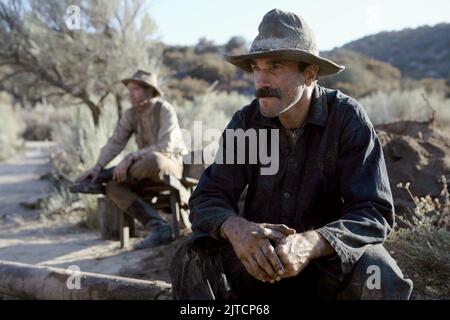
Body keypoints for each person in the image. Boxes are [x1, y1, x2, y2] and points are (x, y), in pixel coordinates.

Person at [170, 9, 413, 299]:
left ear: (310, 73)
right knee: (192, 254)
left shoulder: (347, 119)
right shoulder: (246, 123)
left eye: (274, 67)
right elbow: (207, 197)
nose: (261, 80)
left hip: (325, 264)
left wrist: (313, 242)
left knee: (377, 269)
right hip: (260, 262)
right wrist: (237, 230)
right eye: (256, 68)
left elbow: (374, 211)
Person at [70, 69, 188, 250]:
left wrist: (131, 157)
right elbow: (115, 142)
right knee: (113, 187)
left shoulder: (164, 110)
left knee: (154, 160)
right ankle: (159, 227)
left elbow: (166, 146)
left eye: (135, 89)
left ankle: (102, 176)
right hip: (141, 171)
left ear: (149, 91)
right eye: (129, 89)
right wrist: (98, 166)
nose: (130, 94)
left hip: (168, 164)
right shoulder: (131, 114)